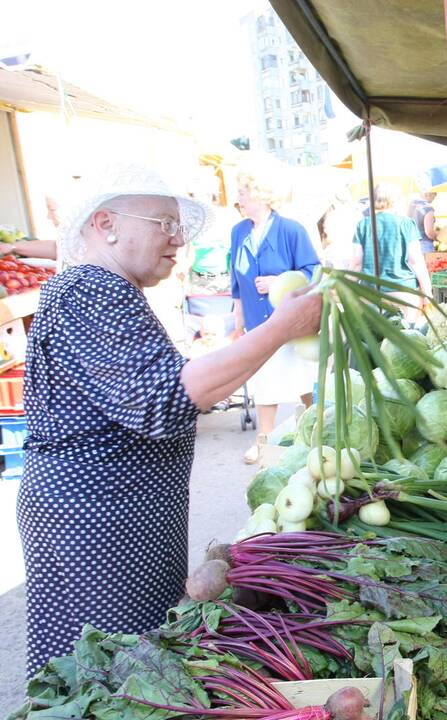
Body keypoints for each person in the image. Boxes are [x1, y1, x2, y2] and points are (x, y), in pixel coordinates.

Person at [16, 165, 321, 676]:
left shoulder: (105, 289)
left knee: (128, 664)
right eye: (164, 223)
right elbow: (162, 401)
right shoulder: (91, 289)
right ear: (105, 224)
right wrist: (282, 327)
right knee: (107, 672)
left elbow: (168, 389)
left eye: (179, 226)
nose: (178, 238)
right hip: (96, 522)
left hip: (117, 517)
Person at [230, 164, 322, 464]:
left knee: (304, 382)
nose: (239, 198)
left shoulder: (291, 229)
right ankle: (264, 443)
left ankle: (317, 434)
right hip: (257, 321)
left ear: (261, 195)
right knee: (265, 382)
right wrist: (238, 320)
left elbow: (313, 272)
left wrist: (278, 280)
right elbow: (235, 279)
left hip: (293, 320)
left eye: (243, 193)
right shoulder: (238, 231)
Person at [352, 184, 433, 316]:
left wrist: (347, 289)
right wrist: (427, 293)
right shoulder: (406, 224)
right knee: (407, 333)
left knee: (373, 334)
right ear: (396, 201)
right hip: (404, 291)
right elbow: (416, 261)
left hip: (370, 293)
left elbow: (356, 263)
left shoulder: (363, 225)